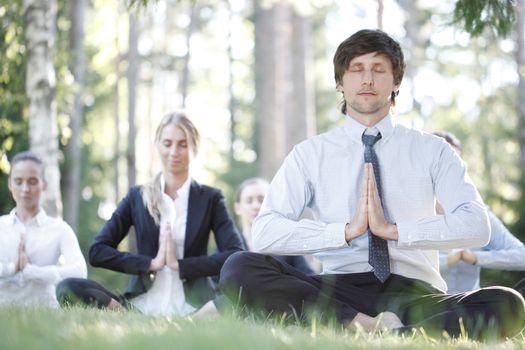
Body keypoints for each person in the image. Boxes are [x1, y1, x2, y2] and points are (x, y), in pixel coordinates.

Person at [219, 29, 525, 339]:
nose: (367, 79)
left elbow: (477, 225)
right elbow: (266, 232)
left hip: (417, 292)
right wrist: (345, 231)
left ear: (396, 83)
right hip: (340, 291)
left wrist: (395, 231)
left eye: (379, 70)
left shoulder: (433, 150)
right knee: (239, 268)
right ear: (340, 82)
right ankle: (369, 326)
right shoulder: (309, 154)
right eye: (357, 69)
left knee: (509, 303)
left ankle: (395, 330)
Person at [57, 112, 244, 317]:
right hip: (141, 303)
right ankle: (127, 316)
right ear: (157, 145)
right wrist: (150, 264)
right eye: (167, 143)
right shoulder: (137, 196)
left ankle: (195, 320)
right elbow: (98, 252)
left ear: (194, 148)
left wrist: (180, 266)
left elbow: (235, 255)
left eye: (183, 144)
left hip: (197, 305)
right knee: (68, 287)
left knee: (245, 293)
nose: (174, 151)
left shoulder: (210, 198)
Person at [432, 131, 525, 294]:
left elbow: (521, 256)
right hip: (427, 307)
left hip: (472, 307)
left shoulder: (479, 215)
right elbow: (403, 264)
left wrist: (475, 258)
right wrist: (449, 260)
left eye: (456, 162)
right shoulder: (412, 213)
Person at [0, 151, 87, 307]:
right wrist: (12, 268)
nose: (25, 189)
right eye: (18, 181)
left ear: (44, 184)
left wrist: (33, 271)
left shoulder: (60, 229)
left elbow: (80, 271)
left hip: (44, 311)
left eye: (32, 181)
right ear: (9, 184)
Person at [234, 177, 314, 275]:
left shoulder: (285, 242)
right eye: (249, 201)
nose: (256, 206)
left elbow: (308, 277)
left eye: (262, 200)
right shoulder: (228, 245)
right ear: (238, 208)